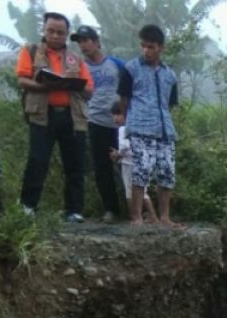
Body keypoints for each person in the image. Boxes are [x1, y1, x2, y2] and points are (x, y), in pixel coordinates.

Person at [15, 12, 94, 222]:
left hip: (72, 116)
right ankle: (28, 207)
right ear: (44, 30)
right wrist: (45, 86)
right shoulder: (30, 51)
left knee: (75, 164)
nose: (55, 35)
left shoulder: (75, 59)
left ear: (67, 34)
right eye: (51, 30)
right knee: (37, 161)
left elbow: (89, 91)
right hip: (42, 114)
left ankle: (74, 210)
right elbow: (22, 80)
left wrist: (73, 82)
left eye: (60, 32)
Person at [117, 24, 179, 226]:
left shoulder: (170, 75)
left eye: (151, 46)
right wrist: (131, 122)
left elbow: (170, 104)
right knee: (141, 170)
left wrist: (161, 120)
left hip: (164, 129)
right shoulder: (131, 69)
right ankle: (136, 217)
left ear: (160, 47)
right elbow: (124, 100)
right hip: (140, 126)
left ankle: (164, 217)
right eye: (143, 46)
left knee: (167, 171)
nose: (146, 50)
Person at [71, 25, 124, 223]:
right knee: (102, 168)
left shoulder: (116, 64)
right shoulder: (79, 69)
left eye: (86, 40)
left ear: (97, 42)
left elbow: (129, 89)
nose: (83, 45)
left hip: (120, 124)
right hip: (95, 122)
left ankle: (138, 206)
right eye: (79, 42)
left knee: (129, 163)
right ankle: (111, 209)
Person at [109, 101, 155, 223]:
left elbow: (124, 146)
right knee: (143, 190)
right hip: (143, 161)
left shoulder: (123, 129)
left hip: (129, 163)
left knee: (129, 191)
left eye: (118, 114)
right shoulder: (140, 127)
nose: (115, 118)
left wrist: (118, 154)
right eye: (114, 115)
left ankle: (134, 216)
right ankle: (152, 215)